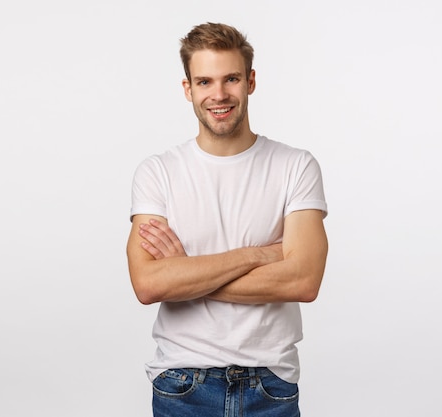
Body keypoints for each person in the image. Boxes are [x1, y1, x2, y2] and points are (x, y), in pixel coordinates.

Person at [126, 22, 328, 416]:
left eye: (231, 78)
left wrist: (184, 275)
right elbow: (149, 284)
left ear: (250, 81)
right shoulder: (158, 172)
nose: (218, 95)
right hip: (182, 382)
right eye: (204, 81)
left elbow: (303, 280)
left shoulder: (295, 166)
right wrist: (258, 256)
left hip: (270, 383)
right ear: (188, 89)